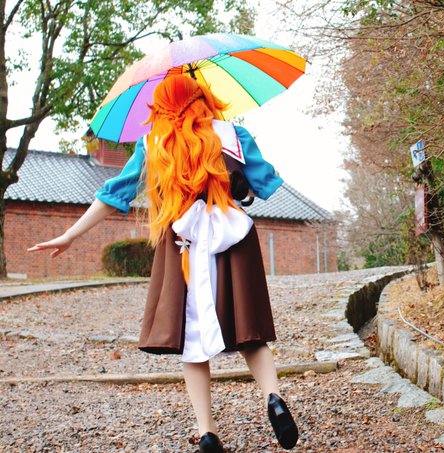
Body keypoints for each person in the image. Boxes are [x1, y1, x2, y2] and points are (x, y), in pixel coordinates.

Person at [28, 75, 299, 452]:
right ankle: (273, 397)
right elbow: (264, 185)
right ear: (204, 98)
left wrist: (70, 235)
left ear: (162, 107)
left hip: (183, 246)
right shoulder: (234, 135)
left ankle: (207, 432)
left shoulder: (153, 142)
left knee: (193, 342)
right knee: (249, 331)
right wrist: (237, 185)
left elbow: (114, 194)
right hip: (234, 240)